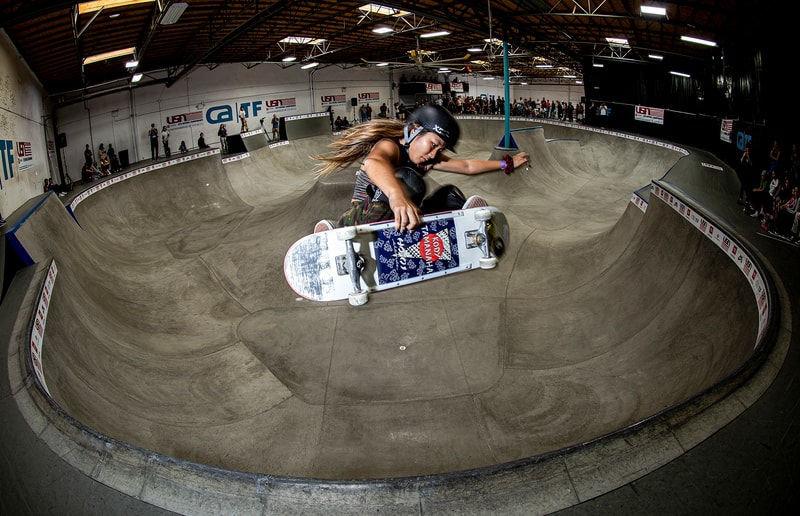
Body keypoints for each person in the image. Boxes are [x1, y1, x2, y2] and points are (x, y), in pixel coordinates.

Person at [313, 104, 530, 233]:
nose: (434, 154)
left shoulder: (427, 158)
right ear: (414, 130)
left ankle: (462, 223)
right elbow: (374, 163)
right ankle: (338, 227)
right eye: (434, 144)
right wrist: (396, 195)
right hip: (365, 217)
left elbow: (467, 166)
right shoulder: (391, 146)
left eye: (440, 149)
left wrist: (506, 163)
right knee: (408, 179)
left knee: (450, 196)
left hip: (403, 217)